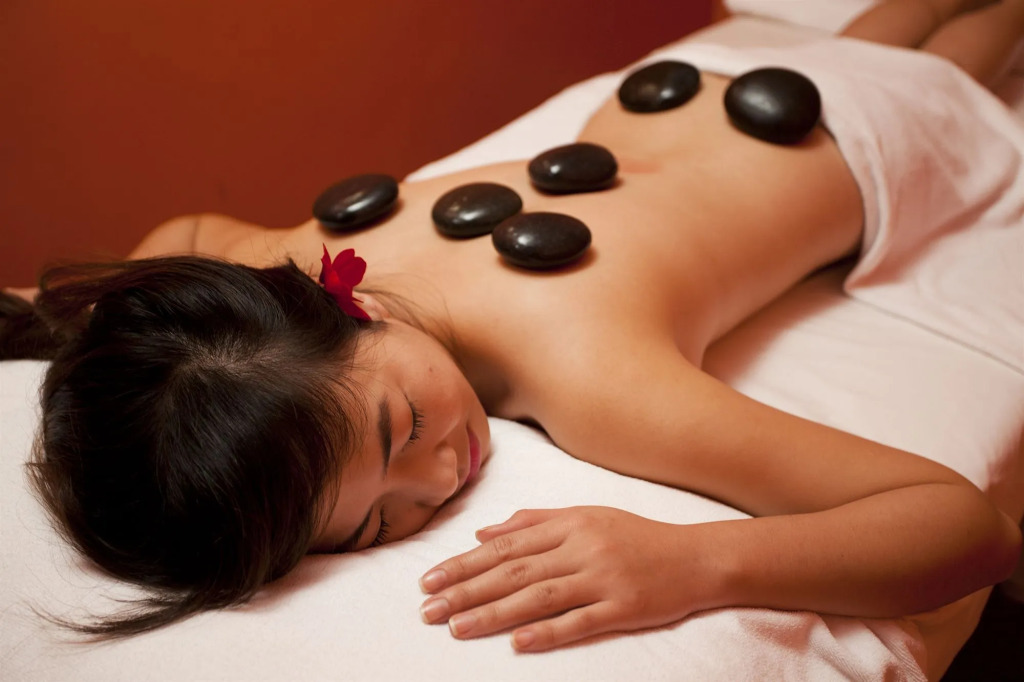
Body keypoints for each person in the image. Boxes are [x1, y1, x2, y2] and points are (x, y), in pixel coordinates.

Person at [2, 0, 1022, 652]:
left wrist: (694, 562)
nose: (438, 474)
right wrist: (91, 341)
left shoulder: (588, 373)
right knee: (946, 43)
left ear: (353, 310)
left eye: (404, 428)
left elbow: (967, 528)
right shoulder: (286, 267)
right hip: (721, 102)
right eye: (377, 525)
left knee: (931, 45)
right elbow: (185, 235)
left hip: (868, 139)